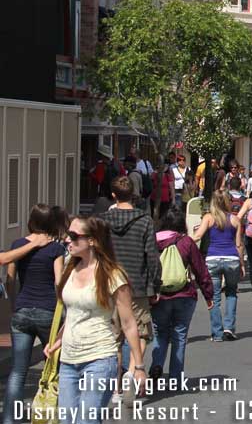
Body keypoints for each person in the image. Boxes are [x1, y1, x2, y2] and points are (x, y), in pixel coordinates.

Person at [48, 217, 145, 423]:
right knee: (67, 420)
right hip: (68, 360)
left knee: (86, 420)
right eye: (68, 234)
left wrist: (139, 366)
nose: (67, 240)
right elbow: (74, 312)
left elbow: (128, 323)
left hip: (100, 358)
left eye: (74, 236)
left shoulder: (112, 275)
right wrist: (56, 341)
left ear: (92, 240)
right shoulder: (69, 267)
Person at [2, 206, 66, 424]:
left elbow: (10, 279)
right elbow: (59, 281)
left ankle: (9, 419)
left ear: (31, 220)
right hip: (48, 312)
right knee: (54, 367)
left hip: (22, 311)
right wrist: (63, 305)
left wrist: (13, 305)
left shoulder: (18, 245)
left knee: (18, 371)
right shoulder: (56, 249)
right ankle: (50, 415)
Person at [96, 176, 160, 390]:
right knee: (141, 331)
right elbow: (152, 255)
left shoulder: (102, 221)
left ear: (113, 195)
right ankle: (133, 373)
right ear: (133, 194)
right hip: (137, 285)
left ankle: (115, 384)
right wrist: (155, 284)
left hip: (108, 284)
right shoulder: (144, 221)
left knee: (113, 336)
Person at [150, 207, 214, 385]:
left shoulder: (154, 241)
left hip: (160, 295)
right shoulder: (186, 242)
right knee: (179, 334)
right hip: (184, 294)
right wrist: (208, 295)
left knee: (160, 333)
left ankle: (156, 364)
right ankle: (176, 377)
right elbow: (200, 270)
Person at [191, 189, 244, 341]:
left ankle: (217, 332)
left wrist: (184, 241)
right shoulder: (235, 220)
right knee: (232, 293)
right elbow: (239, 244)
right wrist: (241, 264)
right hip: (231, 258)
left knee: (213, 296)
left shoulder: (208, 218)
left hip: (213, 258)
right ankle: (229, 327)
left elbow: (198, 235)